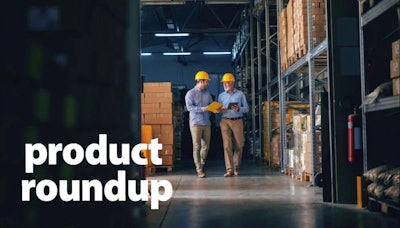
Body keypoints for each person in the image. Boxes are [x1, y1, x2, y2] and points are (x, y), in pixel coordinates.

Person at [217, 73, 249, 177]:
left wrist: (239, 108)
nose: (225, 84)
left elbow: (247, 108)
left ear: (232, 82)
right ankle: (229, 169)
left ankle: (236, 166)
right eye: (224, 83)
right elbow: (217, 109)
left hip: (237, 121)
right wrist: (220, 110)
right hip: (225, 121)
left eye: (227, 82)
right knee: (227, 146)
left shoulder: (240, 94)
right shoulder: (221, 96)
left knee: (239, 145)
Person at [185, 71, 213, 178]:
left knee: (206, 146)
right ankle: (199, 169)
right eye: (206, 82)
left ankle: (201, 163)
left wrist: (216, 108)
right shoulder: (190, 93)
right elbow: (189, 108)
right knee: (197, 146)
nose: (207, 84)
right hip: (195, 123)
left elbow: (211, 105)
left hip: (206, 123)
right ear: (200, 81)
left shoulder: (207, 94)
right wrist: (203, 108)